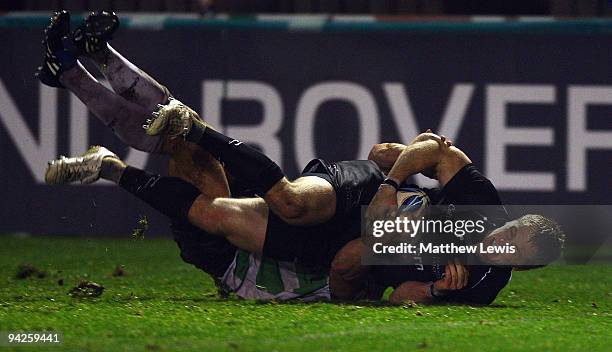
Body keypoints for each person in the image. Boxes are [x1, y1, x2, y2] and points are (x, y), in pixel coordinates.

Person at [38, 10, 329, 301]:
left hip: (235, 259)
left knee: (183, 137)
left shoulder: (365, 243)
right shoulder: (366, 227)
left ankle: (77, 70)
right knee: (184, 130)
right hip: (254, 247)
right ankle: (75, 68)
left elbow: (352, 263)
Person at [330, 139, 566, 305]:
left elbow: (397, 298)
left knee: (345, 263)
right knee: (388, 154)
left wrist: (436, 290)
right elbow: (439, 151)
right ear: (512, 220)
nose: (503, 242)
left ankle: (327, 286)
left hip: (374, 268)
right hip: (389, 204)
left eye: (514, 251)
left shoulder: (483, 285)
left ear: (517, 268)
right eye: (512, 233)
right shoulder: (483, 202)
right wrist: (390, 185)